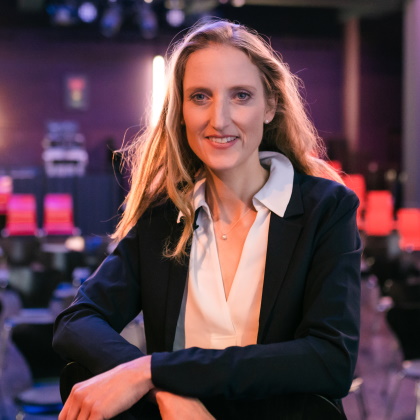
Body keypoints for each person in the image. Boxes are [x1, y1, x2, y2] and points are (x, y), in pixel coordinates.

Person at [53, 19, 362, 420]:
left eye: (241, 96)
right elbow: (76, 321)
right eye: (200, 97)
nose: (219, 119)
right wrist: (162, 392)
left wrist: (152, 371)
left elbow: (330, 360)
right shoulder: (163, 217)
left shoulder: (328, 208)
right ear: (181, 111)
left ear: (270, 106)